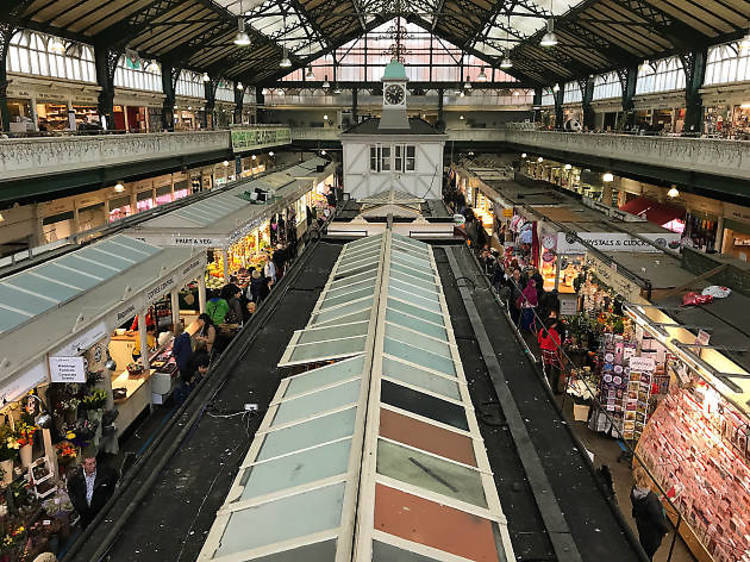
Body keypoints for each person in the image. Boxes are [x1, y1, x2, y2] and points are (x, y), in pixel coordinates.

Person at [67, 453, 119, 529]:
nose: (93, 466)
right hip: (85, 514)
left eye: (94, 462)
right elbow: (71, 491)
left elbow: (115, 482)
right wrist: (78, 506)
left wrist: (108, 500)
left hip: (102, 511)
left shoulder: (106, 473)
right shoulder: (75, 478)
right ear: (83, 465)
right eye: (90, 464)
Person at [630, 466, 669, 560]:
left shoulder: (634, 490)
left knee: (643, 546)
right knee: (648, 554)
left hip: (642, 525)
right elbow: (658, 519)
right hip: (652, 533)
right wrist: (665, 531)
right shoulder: (651, 500)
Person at [538, 318, 563, 393]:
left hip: (544, 351)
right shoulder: (554, 332)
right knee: (556, 370)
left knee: (547, 368)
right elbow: (558, 343)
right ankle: (554, 389)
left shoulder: (542, 330)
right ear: (552, 324)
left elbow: (539, 340)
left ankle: (546, 386)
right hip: (552, 352)